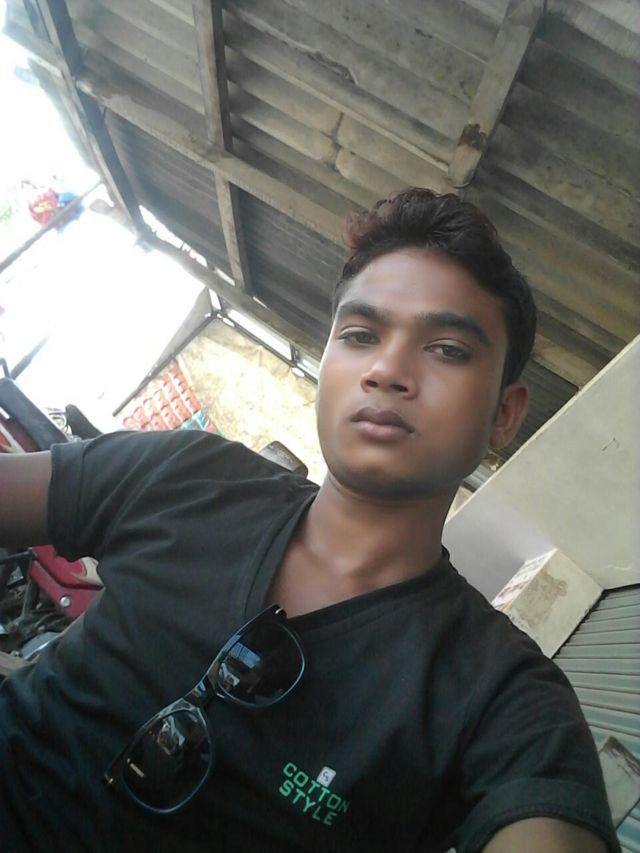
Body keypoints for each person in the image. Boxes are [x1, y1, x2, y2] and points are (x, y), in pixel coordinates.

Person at [0, 188, 618, 853]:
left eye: (446, 349)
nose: (387, 369)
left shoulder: (500, 697)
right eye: (360, 335)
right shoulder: (185, 474)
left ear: (505, 413)